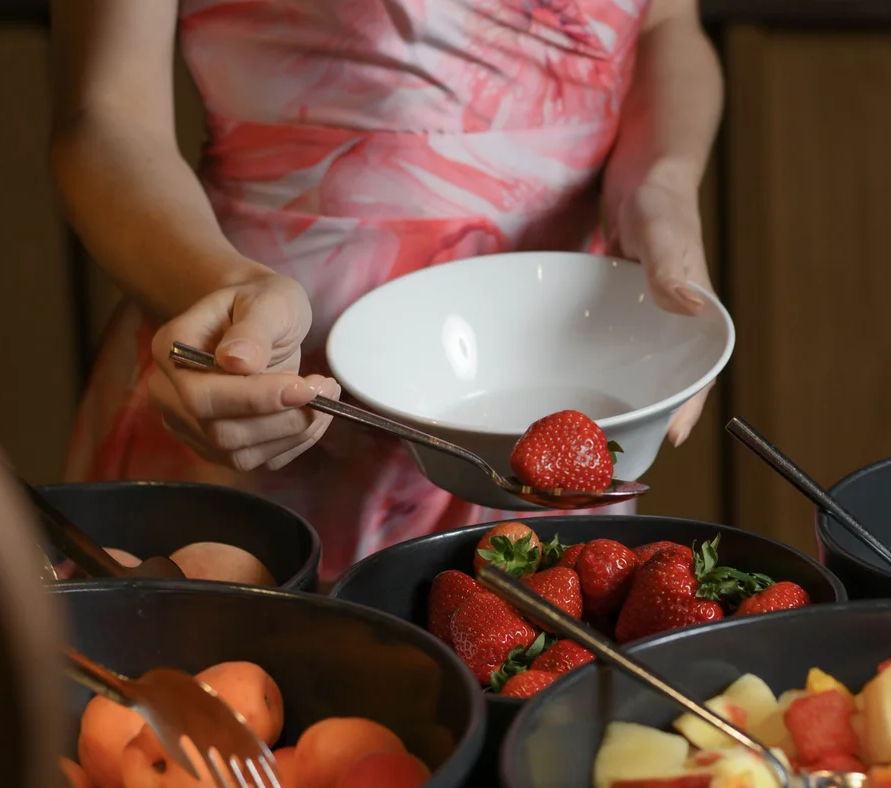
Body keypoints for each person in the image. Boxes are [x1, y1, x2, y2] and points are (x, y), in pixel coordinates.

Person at [48, 0, 723, 583]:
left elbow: (666, 23)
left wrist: (661, 179)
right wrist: (222, 286)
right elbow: (104, 113)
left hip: (560, 393)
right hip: (262, 387)